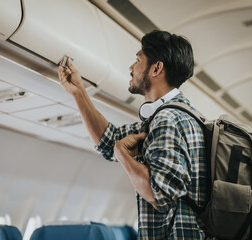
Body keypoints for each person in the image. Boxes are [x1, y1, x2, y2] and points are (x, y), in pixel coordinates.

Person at [58, 30, 206, 240]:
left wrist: (122, 154)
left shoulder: (168, 120)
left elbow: (159, 195)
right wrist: (79, 91)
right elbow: (109, 141)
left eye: (137, 60)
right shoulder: (176, 116)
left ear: (156, 68)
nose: (131, 68)